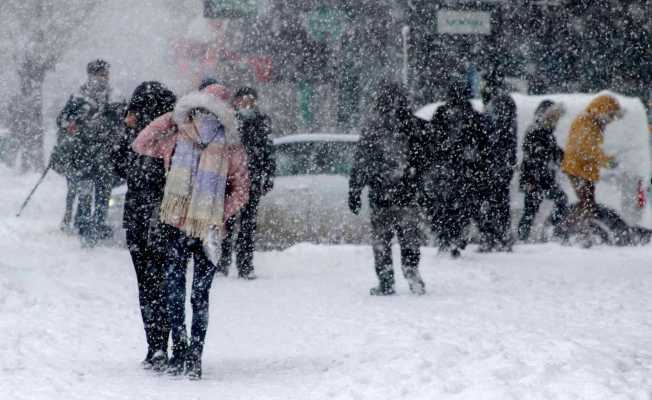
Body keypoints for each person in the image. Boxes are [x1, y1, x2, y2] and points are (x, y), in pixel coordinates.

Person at [133, 83, 250, 380]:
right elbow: (242, 191)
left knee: (175, 291)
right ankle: (194, 356)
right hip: (210, 231)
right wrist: (218, 212)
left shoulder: (178, 135)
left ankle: (182, 351)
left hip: (177, 226)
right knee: (200, 295)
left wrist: (171, 117)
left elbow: (141, 142)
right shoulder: (231, 145)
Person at [112, 81, 176, 371]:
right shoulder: (174, 133)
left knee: (148, 285)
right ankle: (169, 343)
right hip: (165, 217)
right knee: (165, 283)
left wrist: (127, 130)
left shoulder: (142, 139)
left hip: (142, 217)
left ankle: (156, 345)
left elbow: (117, 167)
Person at [348, 81, 426, 296]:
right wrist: (421, 184)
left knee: (382, 240)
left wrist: (355, 190)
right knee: (409, 237)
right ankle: (411, 272)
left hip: (381, 193)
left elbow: (361, 161)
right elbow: (423, 160)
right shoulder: (413, 125)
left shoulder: (373, 127)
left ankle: (386, 280)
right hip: (407, 192)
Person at [52, 59, 115, 246]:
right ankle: (84, 225)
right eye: (101, 74)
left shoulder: (112, 97)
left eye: (105, 74)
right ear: (92, 75)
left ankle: (98, 224)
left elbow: (119, 121)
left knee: (103, 193)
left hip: (104, 153)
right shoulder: (79, 98)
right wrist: (73, 125)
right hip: (83, 154)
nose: (104, 78)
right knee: (85, 191)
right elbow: (62, 120)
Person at [425, 79, 488, 258]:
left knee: (443, 206)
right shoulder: (473, 116)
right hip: (466, 170)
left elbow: (431, 141)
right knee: (462, 207)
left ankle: (446, 238)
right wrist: (480, 167)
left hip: (445, 169)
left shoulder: (441, 113)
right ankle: (456, 238)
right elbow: (483, 146)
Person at [217, 87, 275, 280]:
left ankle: (245, 265)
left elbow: (268, 151)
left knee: (248, 226)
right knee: (227, 223)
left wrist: (267, 176)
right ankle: (223, 262)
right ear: (237, 101)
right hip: (231, 181)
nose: (248, 105)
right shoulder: (229, 122)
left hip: (252, 180)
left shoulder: (261, 122)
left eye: (251, 101)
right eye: (244, 100)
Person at [561, 94, 623, 247]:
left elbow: (590, 149)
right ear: (602, 110)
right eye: (610, 115)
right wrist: (606, 160)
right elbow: (585, 149)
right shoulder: (585, 122)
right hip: (578, 170)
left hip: (584, 170)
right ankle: (577, 234)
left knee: (588, 204)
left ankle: (574, 232)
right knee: (586, 204)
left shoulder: (594, 123)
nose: (611, 120)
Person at [517, 100, 569, 242]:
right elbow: (535, 157)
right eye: (553, 117)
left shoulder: (546, 132)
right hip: (534, 179)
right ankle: (527, 236)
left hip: (543, 179)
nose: (556, 121)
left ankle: (548, 229)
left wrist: (564, 157)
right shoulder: (535, 131)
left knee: (533, 209)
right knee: (531, 210)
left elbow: (554, 152)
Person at [479, 71, 518, 252]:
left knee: (495, 200)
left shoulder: (499, 102)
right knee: (498, 200)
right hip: (500, 161)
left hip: (496, 161)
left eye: (483, 83)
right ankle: (498, 236)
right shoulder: (502, 101)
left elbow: (495, 133)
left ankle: (495, 237)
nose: (481, 87)